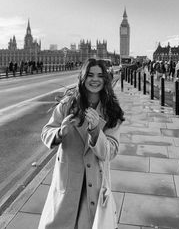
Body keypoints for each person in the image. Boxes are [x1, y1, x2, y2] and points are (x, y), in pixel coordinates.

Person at [38, 58, 124, 229]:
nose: (95, 79)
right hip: (68, 178)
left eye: (100, 75)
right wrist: (60, 132)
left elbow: (110, 151)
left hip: (94, 182)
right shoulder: (67, 105)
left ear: (105, 79)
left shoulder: (112, 111)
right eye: (90, 75)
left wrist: (95, 132)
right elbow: (46, 132)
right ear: (83, 77)